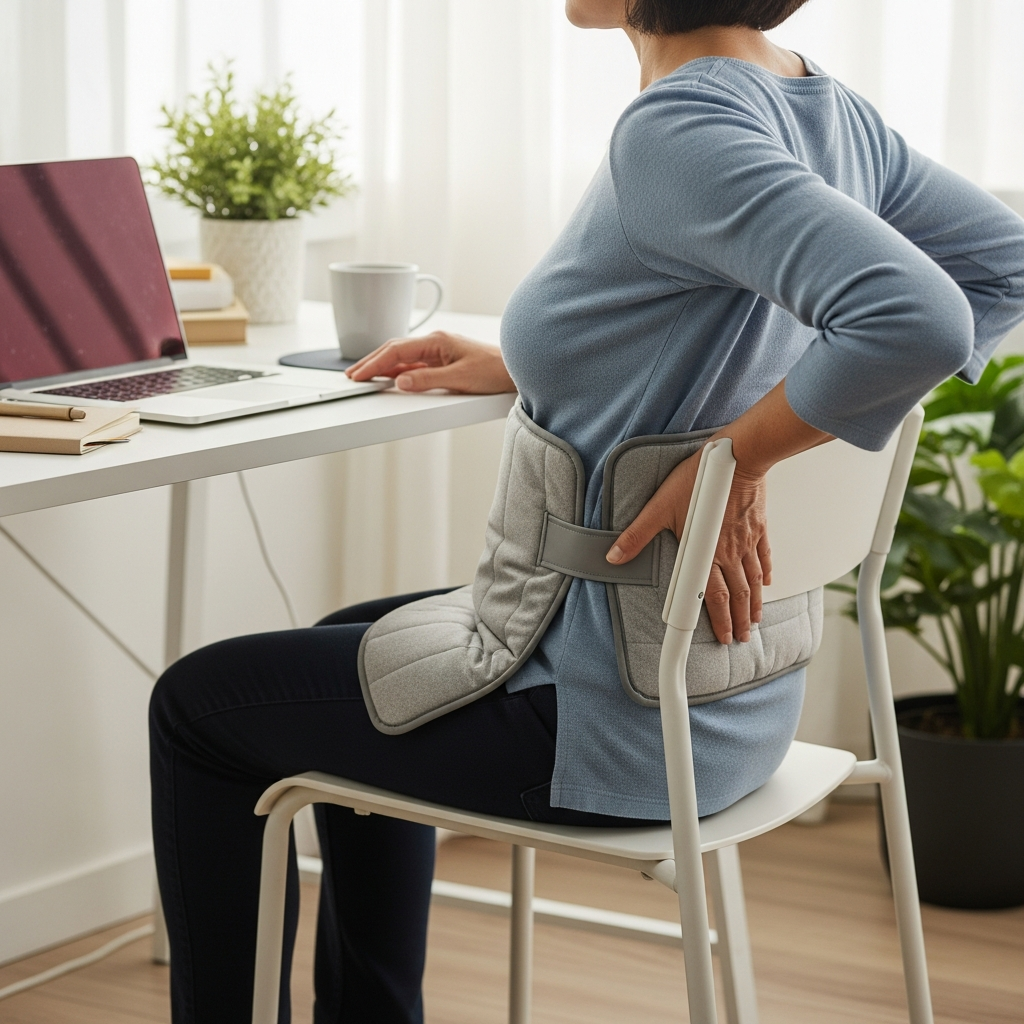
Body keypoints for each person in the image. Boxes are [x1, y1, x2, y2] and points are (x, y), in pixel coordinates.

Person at [149, 1, 1024, 1021]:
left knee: (195, 710)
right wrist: (536, 369)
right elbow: (990, 266)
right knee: (350, 640)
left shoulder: (679, 130)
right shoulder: (819, 106)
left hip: (608, 715)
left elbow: (920, 317)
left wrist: (737, 459)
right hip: (725, 692)